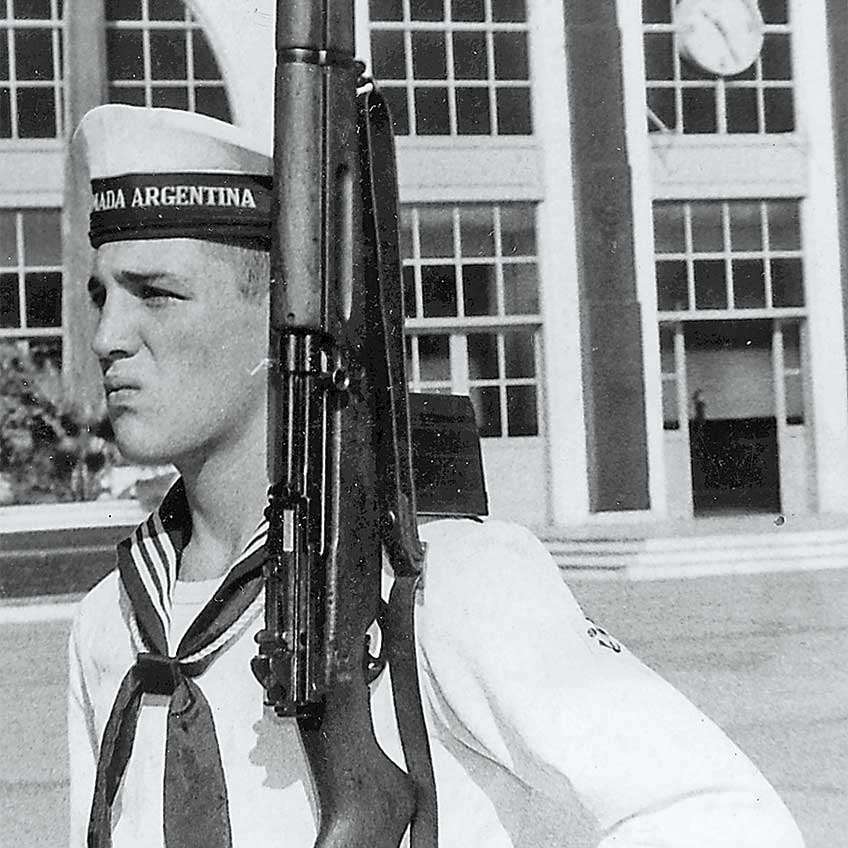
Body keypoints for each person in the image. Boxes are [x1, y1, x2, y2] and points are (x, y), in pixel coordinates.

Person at [67, 104, 805, 848]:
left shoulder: (445, 585)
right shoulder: (111, 624)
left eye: (155, 293)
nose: (107, 336)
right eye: (101, 295)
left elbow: (723, 817)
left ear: (279, 317)